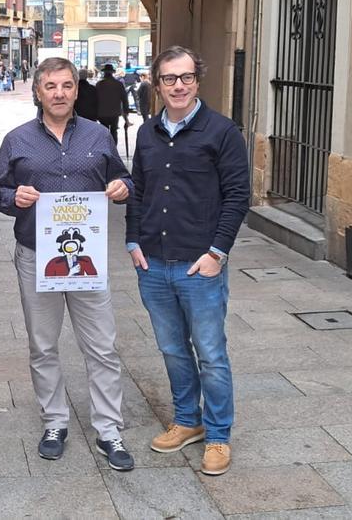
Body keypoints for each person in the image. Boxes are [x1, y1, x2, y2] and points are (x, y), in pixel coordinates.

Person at [0, 57, 136, 472]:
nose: (58, 93)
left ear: (77, 90)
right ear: (37, 91)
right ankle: (54, 422)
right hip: (36, 256)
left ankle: (110, 429)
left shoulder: (97, 135)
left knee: (103, 347)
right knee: (43, 345)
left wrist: (120, 188)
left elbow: (126, 180)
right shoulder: (17, 140)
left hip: (87, 259)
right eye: (50, 86)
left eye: (66, 85)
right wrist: (12, 198)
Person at [125, 45, 250, 477]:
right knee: (173, 349)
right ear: (156, 84)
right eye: (169, 79)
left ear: (198, 80)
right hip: (154, 263)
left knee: (211, 353)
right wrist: (132, 242)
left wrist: (217, 253)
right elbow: (138, 189)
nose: (178, 86)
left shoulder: (222, 132)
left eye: (186, 78)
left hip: (201, 265)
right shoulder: (147, 133)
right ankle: (187, 420)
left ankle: (217, 434)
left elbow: (238, 196)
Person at [95, 64, 126, 143]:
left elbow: (95, 99)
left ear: (104, 73)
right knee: (113, 131)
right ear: (112, 72)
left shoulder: (99, 84)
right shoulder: (118, 84)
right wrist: (126, 111)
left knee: (103, 132)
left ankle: (105, 149)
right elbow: (124, 99)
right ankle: (113, 149)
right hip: (114, 112)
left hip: (102, 113)